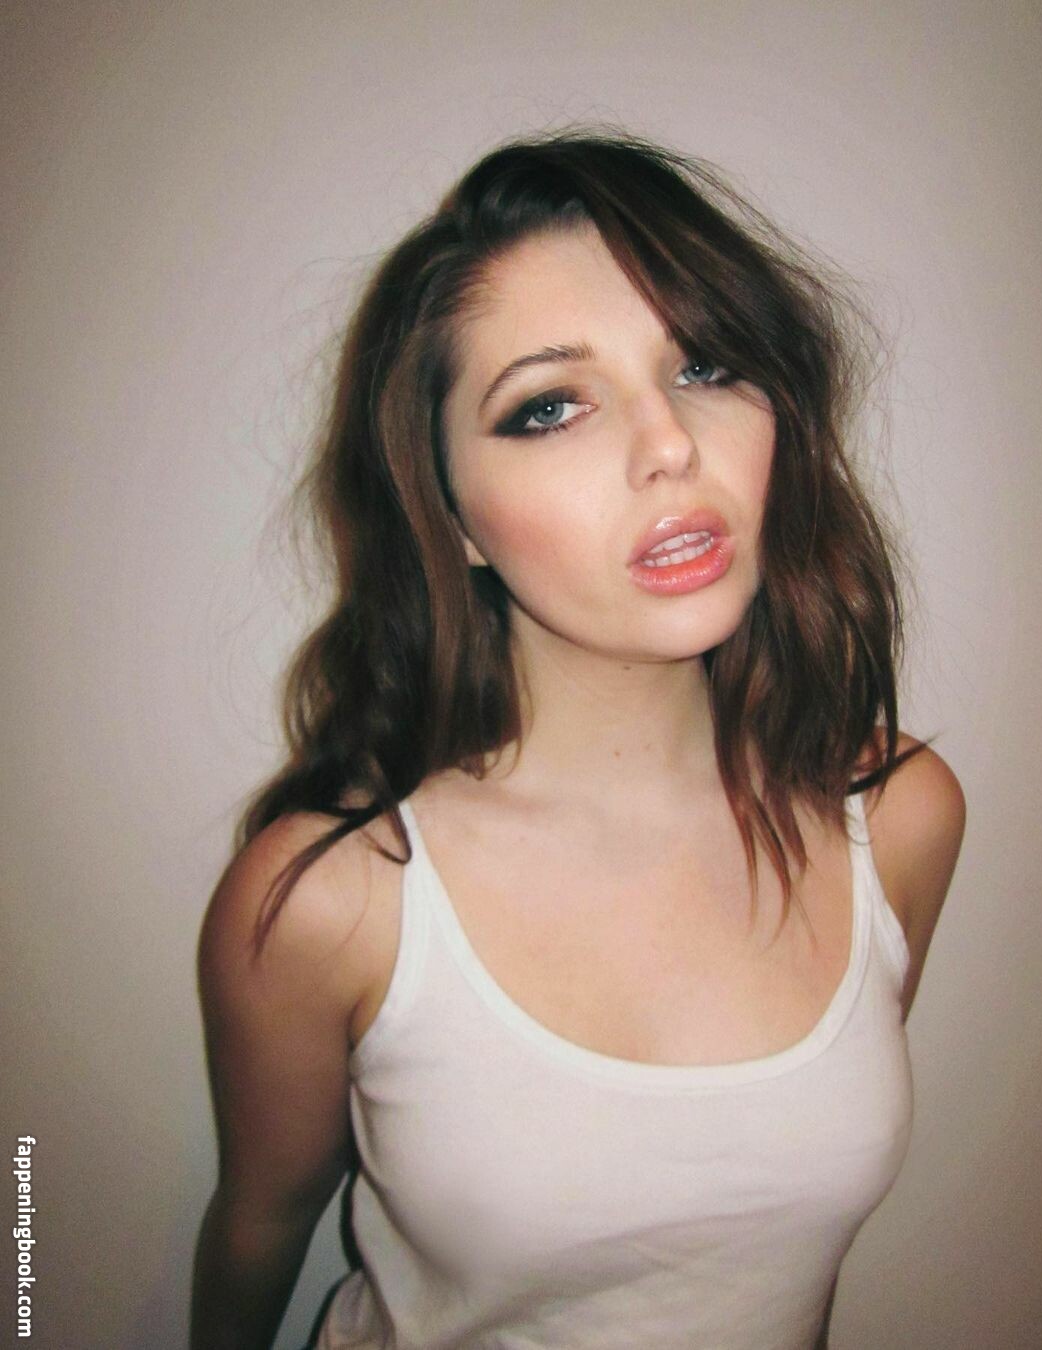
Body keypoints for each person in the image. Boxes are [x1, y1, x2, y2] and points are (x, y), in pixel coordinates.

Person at [190, 129, 965, 1350]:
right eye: (549, 408)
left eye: (705, 363)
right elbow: (258, 1227)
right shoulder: (334, 900)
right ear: (450, 517)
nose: (671, 445)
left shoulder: (900, 813)